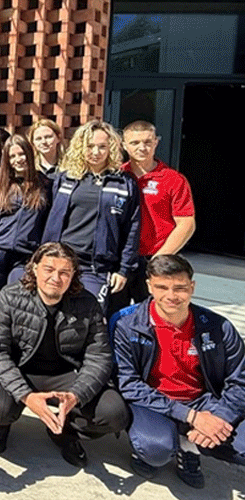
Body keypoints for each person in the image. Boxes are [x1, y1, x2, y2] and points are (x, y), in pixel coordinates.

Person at [0, 242, 129, 467]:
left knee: (114, 413)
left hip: (65, 375)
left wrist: (76, 395)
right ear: (34, 269)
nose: (55, 278)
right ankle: (0, 427)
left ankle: (64, 430)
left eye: (64, 272)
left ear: (73, 276)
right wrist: (26, 396)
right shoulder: (9, 297)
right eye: (49, 270)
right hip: (23, 370)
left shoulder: (88, 304)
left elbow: (99, 357)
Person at [113, 255, 245, 488]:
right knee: (155, 450)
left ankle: (189, 446)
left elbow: (240, 380)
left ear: (192, 287)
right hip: (154, 402)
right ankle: (159, 442)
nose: (171, 296)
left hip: (202, 401)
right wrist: (192, 418)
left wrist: (220, 417)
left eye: (180, 288)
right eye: (162, 287)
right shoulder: (127, 324)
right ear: (149, 286)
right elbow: (129, 384)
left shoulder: (218, 327)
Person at [42, 120, 140, 317]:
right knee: (52, 315)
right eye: (90, 146)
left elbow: (132, 229)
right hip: (62, 259)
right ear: (80, 147)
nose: (96, 152)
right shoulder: (66, 177)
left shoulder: (124, 183)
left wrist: (123, 270)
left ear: (111, 148)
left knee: (89, 319)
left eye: (102, 147)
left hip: (96, 266)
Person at [119, 120, 195, 304]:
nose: (142, 147)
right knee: (114, 317)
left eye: (147, 142)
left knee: (154, 316)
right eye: (135, 143)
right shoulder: (117, 176)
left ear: (156, 142)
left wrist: (159, 258)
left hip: (155, 259)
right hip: (121, 261)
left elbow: (186, 224)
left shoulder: (173, 180)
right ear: (124, 145)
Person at [0, 135, 51, 295]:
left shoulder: (45, 184)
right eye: (12, 156)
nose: (18, 159)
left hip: (26, 255)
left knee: (17, 298)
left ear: (29, 154)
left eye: (21, 154)